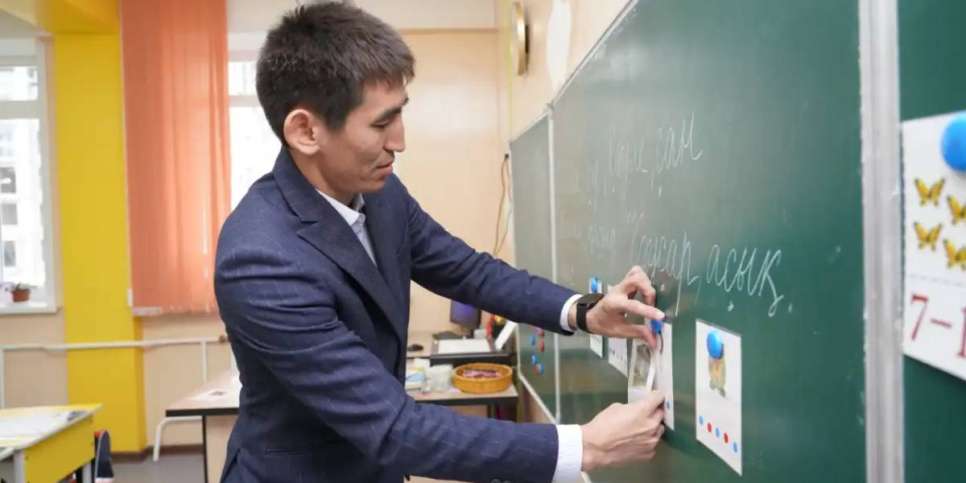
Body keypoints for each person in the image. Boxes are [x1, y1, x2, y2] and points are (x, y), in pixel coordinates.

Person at [214, 2, 667, 482]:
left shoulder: (381, 194)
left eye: (400, 114)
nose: (400, 141)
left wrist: (582, 311)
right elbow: (394, 429)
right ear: (306, 131)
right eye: (381, 124)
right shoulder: (261, 260)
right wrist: (586, 446)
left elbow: (467, 272)